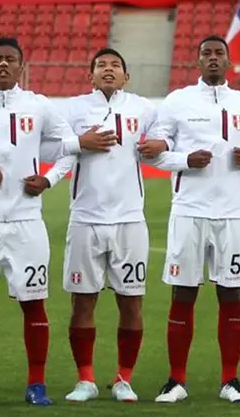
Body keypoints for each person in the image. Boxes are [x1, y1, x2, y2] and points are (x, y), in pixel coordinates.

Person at [0, 37, 116, 406]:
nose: (3, 65)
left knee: (33, 303)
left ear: (21, 67)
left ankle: (37, 384)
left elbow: (70, 148)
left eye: (10, 60)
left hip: (27, 223)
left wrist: (48, 180)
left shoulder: (39, 105)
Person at [147, 35, 240, 404]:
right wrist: (183, 160)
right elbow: (156, 153)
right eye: (205, 52)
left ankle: (231, 380)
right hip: (189, 211)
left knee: (231, 294)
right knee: (183, 293)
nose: (212, 58)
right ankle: (175, 380)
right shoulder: (177, 101)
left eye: (218, 53)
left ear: (228, 61)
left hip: (232, 214)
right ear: (197, 60)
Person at [39, 48, 170, 403]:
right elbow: (50, 150)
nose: (108, 70)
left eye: (115, 66)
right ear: (91, 75)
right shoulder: (73, 109)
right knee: (83, 302)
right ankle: (86, 380)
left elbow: (161, 145)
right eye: (101, 66)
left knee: (132, 302)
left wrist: (166, 144)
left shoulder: (144, 109)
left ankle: (123, 378)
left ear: (126, 76)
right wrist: (79, 144)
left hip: (130, 221)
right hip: (85, 219)